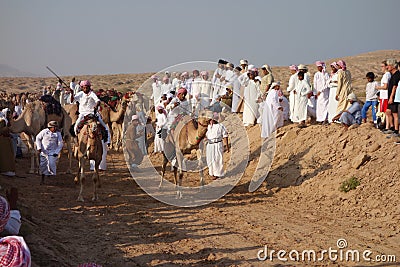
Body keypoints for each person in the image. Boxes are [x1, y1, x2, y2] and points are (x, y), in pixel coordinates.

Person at [206, 113, 229, 179]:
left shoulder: (221, 126)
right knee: (210, 159)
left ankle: (218, 174)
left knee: (218, 159)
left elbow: (225, 136)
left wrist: (227, 146)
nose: (211, 120)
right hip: (210, 145)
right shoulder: (208, 126)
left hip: (218, 144)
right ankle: (212, 173)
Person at [383, 59, 400, 137]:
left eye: (388, 65)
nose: (387, 67)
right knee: (388, 112)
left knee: (395, 114)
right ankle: (392, 127)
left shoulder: (397, 74)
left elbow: (394, 87)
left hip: (394, 97)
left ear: (392, 66)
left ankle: (396, 131)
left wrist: (391, 97)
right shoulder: (393, 74)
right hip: (391, 96)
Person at [376, 60, 391, 130]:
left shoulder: (386, 75)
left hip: (385, 96)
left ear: (386, 67)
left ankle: (386, 126)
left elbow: (385, 86)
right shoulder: (388, 75)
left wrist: (378, 87)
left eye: (382, 66)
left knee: (385, 113)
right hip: (384, 96)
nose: (381, 68)